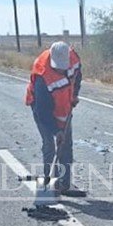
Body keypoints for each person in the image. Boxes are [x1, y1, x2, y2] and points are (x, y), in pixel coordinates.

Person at [25, 41, 85, 197]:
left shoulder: (73, 58)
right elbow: (42, 110)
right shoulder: (42, 74)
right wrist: (55, 130)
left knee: (66, 145)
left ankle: (65, 184)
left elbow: (77, 76)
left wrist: (75, 94)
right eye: (57, 66)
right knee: (50, 145)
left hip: (65, 104)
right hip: (41, 107)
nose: (60, 69)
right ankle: (50, 184)